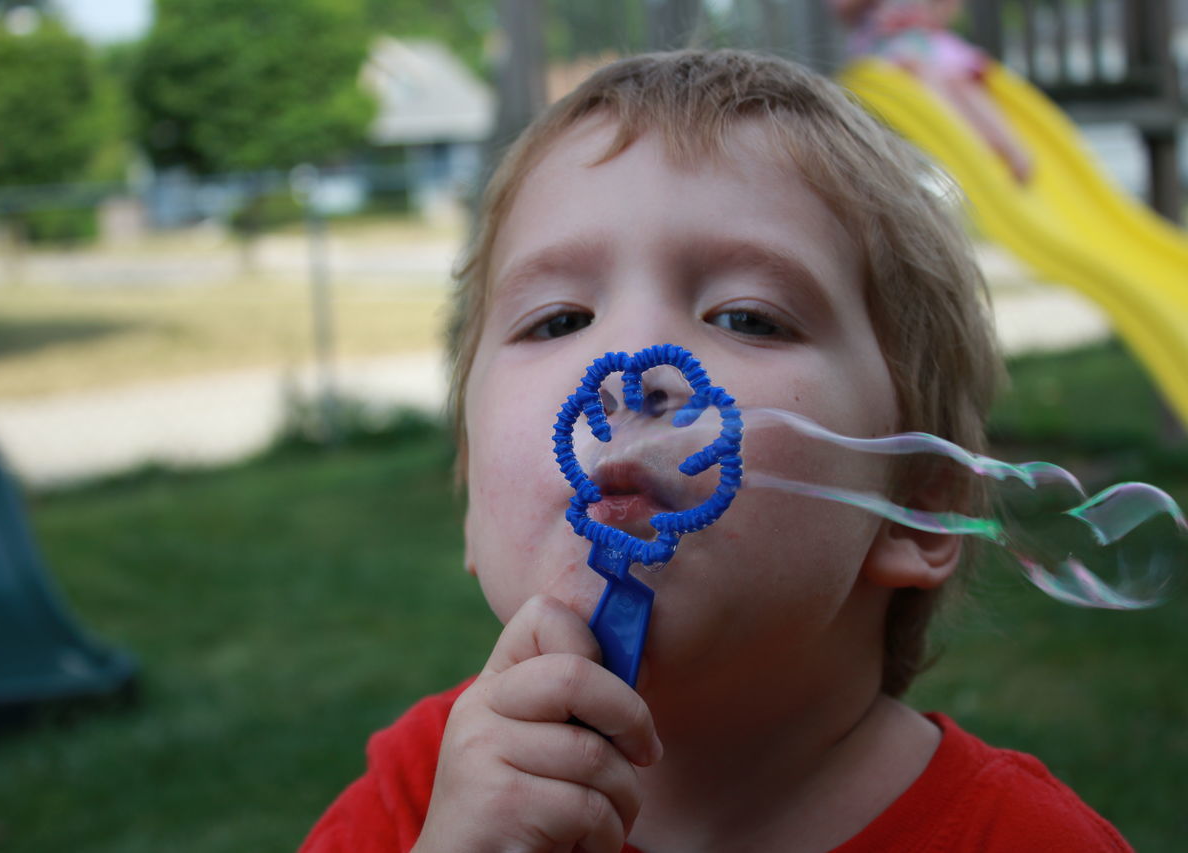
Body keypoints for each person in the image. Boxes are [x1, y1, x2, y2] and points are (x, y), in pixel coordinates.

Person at [300, 50, 1129, 852]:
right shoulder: (415, 802)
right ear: (474, 505)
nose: (631, 367)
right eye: (558, 320)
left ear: (916, 503)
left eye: (746, 317)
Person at [831, 0, 1034, 183]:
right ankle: (968, 144)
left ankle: (1009, 148)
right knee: (921, 70)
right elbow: (843, 10)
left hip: (926, 44)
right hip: (884, 50)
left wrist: (928, 17)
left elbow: (948, 10)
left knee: (959, 82)